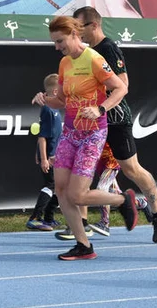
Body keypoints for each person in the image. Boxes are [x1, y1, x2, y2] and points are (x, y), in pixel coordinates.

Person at [31, 16, 140, 260]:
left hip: (93, 134)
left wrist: (101, 108)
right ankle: (84, 245)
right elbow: (61, 101)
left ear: (73, 34)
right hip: (70, 133)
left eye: (60, 41)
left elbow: (121, 88)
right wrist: (44, 99)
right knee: (61, 189)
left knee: (78, 194)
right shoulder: (64, 64)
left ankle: (122, 200)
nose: (57, 47)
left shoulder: (94, 59)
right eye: (54, 42)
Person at [73, 6, 157, 243]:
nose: (77, 32)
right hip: (94, 122)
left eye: (80, 27)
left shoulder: (108, 48)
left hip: (116, 118)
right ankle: (80, 225)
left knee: (131, 169)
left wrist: (95, 96)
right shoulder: (86, 53)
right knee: (82, 169)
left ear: (93, 25)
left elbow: (123, 83)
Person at [26, 74, 63, 231]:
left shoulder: (55, 108)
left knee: (62, 187)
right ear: (55, 91)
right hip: (50, 157)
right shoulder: (47, 110)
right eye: (61, 88)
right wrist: (44, 158)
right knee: (50, 184)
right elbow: (42, 137)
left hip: (57, 156)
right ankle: (35, 218)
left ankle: (48, 217)